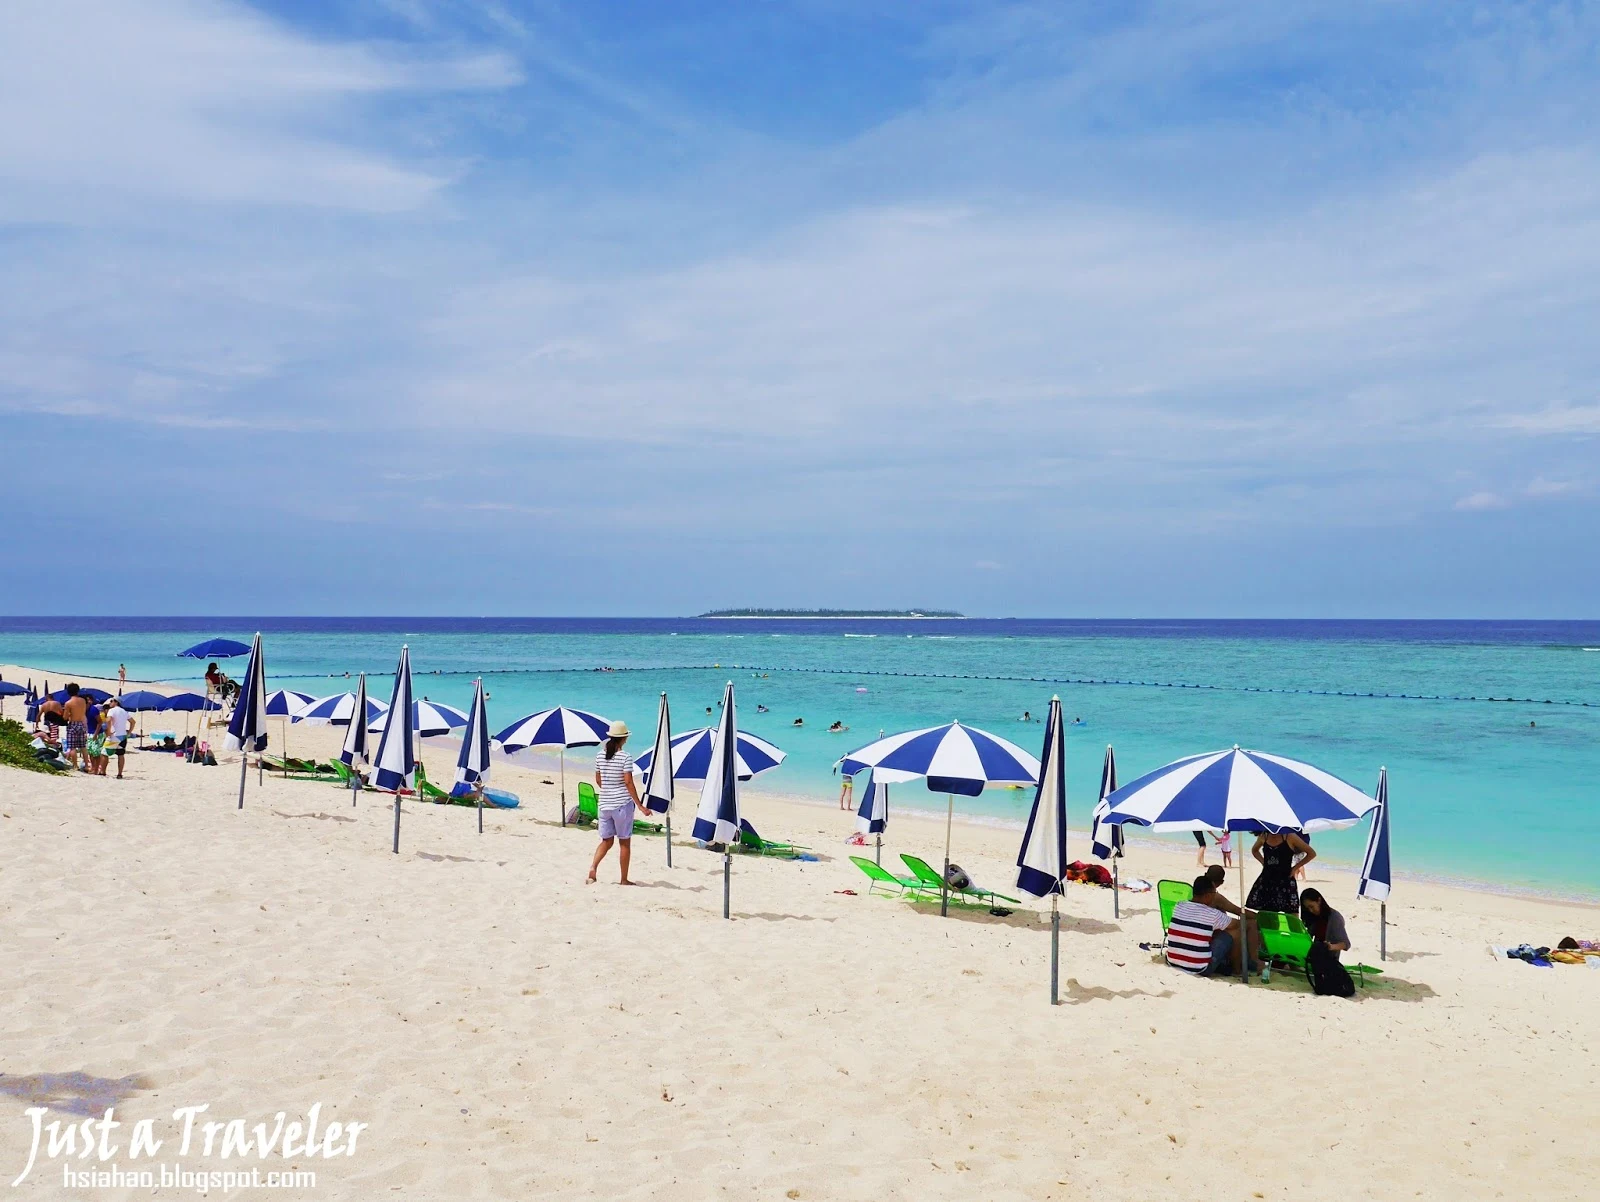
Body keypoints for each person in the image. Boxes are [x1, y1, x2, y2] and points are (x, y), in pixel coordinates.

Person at [587, 721, 644, 886]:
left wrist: (609, 791)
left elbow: (598, 780)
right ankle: (624, 879)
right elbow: (628, 782)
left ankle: (593, 867)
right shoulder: (625, 757)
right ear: (624, 738)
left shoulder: (599, 755)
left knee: (606, 841)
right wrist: (639, 805)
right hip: (621, 805)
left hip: (604, 805)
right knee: (624, 842)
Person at [1166, 875, 1259, 976]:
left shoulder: (1179, 905)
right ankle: (1237, 970)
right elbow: (1237, 924)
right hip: (1200, 968)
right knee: (1236, 931)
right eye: (1214, 894)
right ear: (1207, 896)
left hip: (1173, 961)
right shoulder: (1212, 914)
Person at [1246, 830, 1314, 913]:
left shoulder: (1289, 836)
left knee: (1292, 914)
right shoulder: (1264, 836)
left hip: (1286, 879)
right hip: (1267, 880)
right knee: (1268, 913)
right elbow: (1254, 850)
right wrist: (1264, 862)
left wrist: (1295, 868)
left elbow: (1311, 853)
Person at [1299, 888, 1351, 960]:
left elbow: (1346, 944)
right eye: (1307, 908)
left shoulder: (1334, 917)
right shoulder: (1314, 916)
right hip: (1314, 955)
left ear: (1319, 901)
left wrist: (1331, 947)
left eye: (1312, 907)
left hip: (1329, 959)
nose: (1310, 911)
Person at [101, 696, 133, 779]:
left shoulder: (112, 710)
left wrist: (108, 731)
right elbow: (133, 722)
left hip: (114, 735)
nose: (110, 703)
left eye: (111, 701)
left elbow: (108, 720)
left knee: (104, 753)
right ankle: (119, 774)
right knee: (121, 754)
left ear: (116, 702)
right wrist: (129, 732)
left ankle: (103, 772)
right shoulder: (124, 711)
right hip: (123, 735)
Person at [61, 684, 91, 772]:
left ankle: (75, 765)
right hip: (81, 723)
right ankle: (86, 765)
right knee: (83, 747)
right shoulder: (83, 700)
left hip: (73, 724)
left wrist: (66, 713)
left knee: (72, 747)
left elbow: (65, 717)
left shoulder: (68, 703)